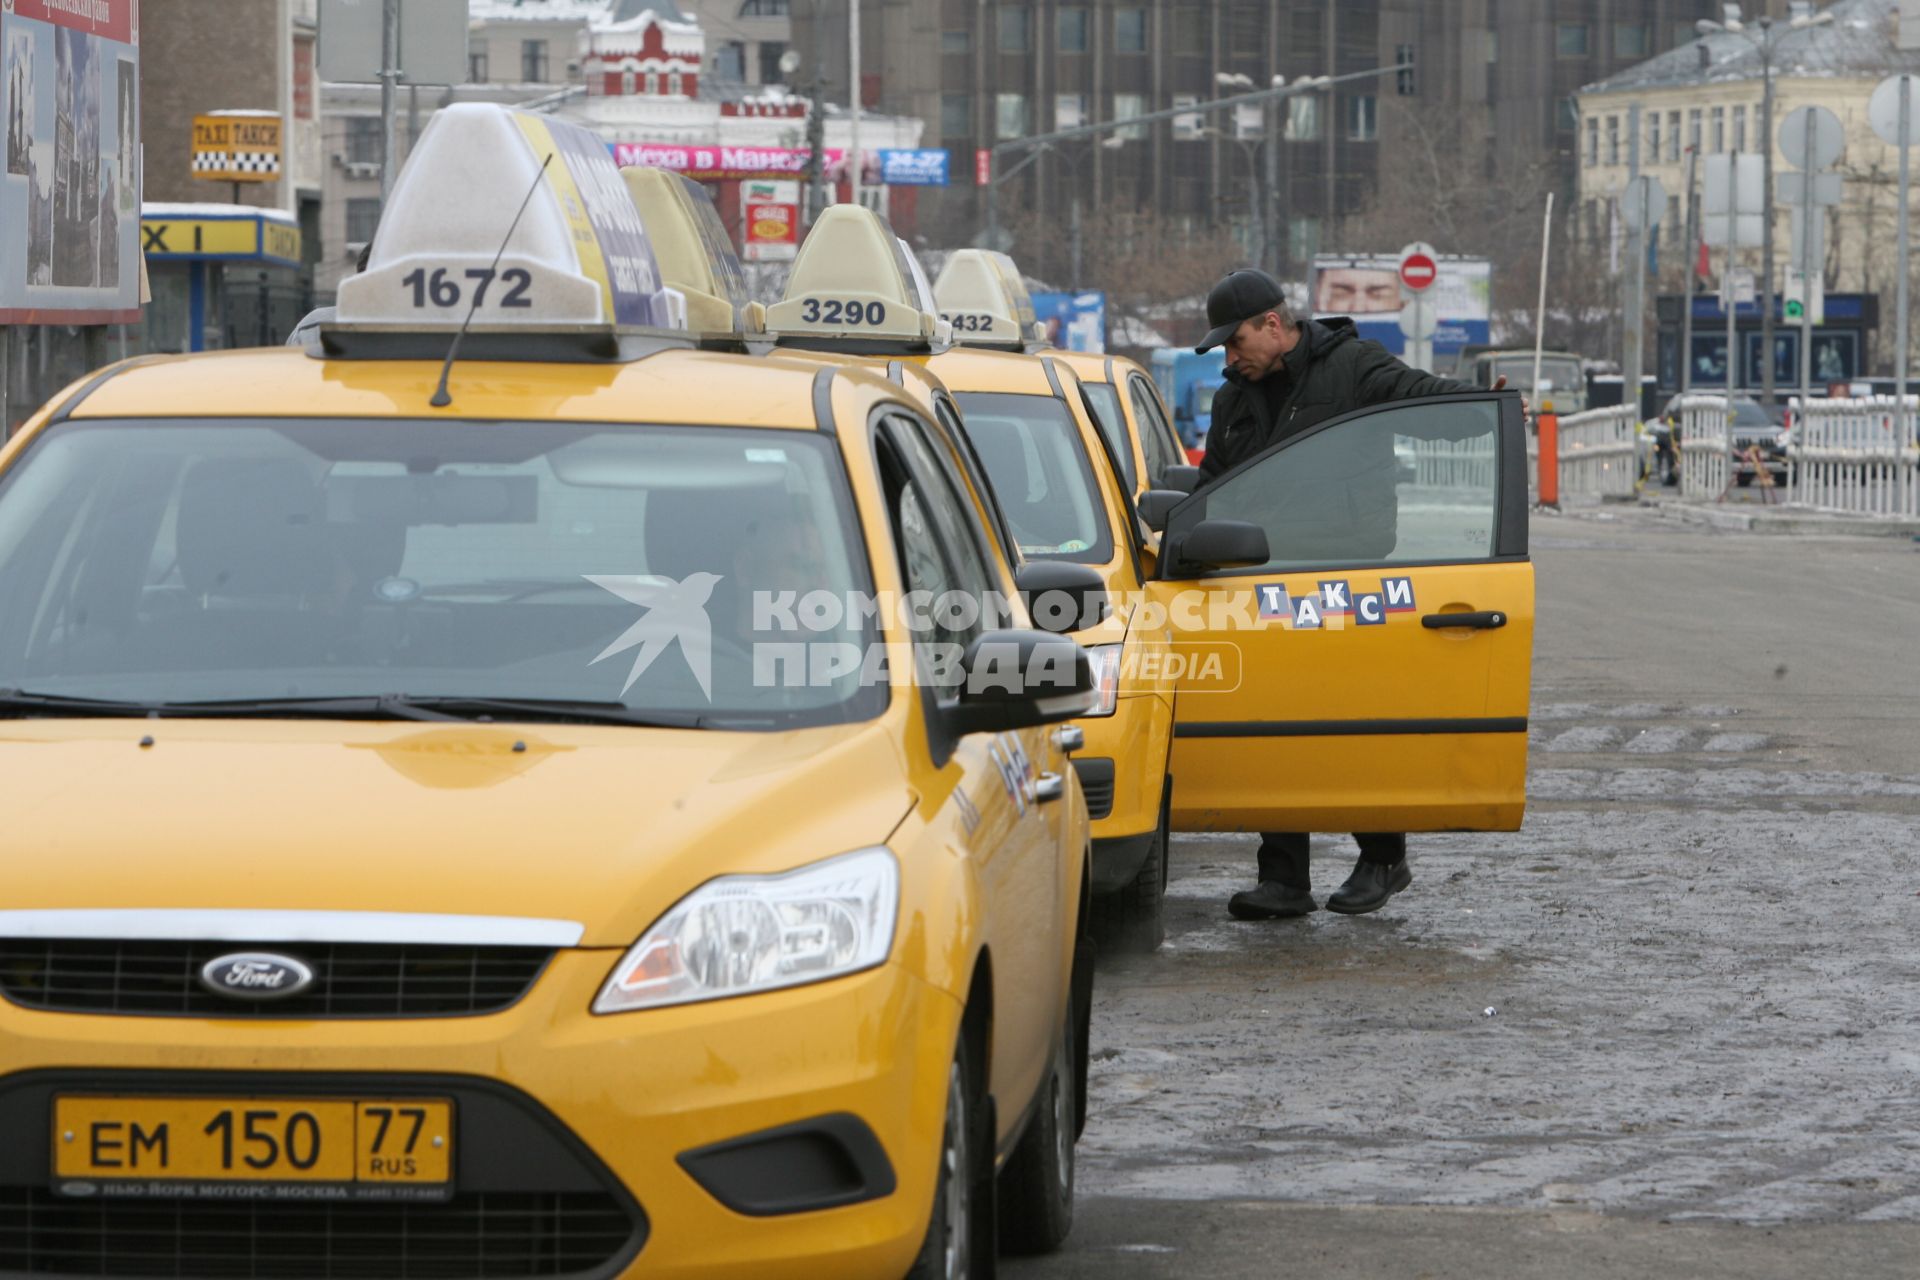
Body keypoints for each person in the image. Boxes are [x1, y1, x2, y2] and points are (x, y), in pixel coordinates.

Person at [1191, 267, 1488, 921]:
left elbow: (1420, 399)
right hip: (1263, 581)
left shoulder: (1352, 365)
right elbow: (1212, 482)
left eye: (1234, 341)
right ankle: (1284, 878)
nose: (1229, 357)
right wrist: (1177, 534)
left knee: (1354, 723)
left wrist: (1482, 407)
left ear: (1274, 325)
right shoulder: (1232, 399)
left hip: (1349, 579)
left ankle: (1383, 857)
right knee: (1273, 726)